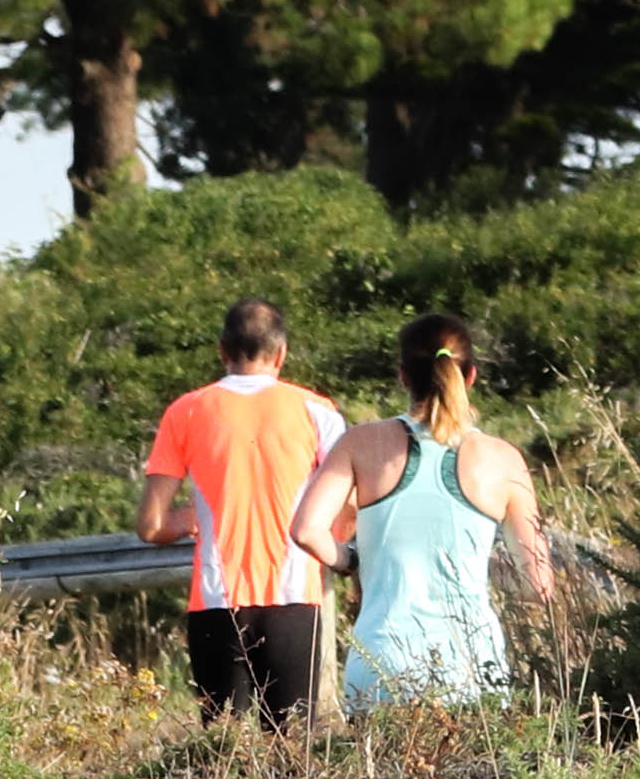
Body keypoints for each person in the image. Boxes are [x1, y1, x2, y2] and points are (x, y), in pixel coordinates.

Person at [289, 312, 558, 708]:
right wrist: (478, 565)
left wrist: (352, 560)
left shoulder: (360, 443)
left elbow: (306, 530)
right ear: (470, 376)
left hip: (381, 669)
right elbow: (539, 586)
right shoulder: (504, 459)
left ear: (403, 377)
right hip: (472, 670)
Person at [137, 297, 350, 722]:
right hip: (293, 597)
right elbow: (345, 514)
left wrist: (183, 520)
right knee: (292, 750)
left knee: (221, 752)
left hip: (217, 600)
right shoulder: (318, 411)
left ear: (222, 350)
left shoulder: (186, 410)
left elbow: (150, 525)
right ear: (282, 353)